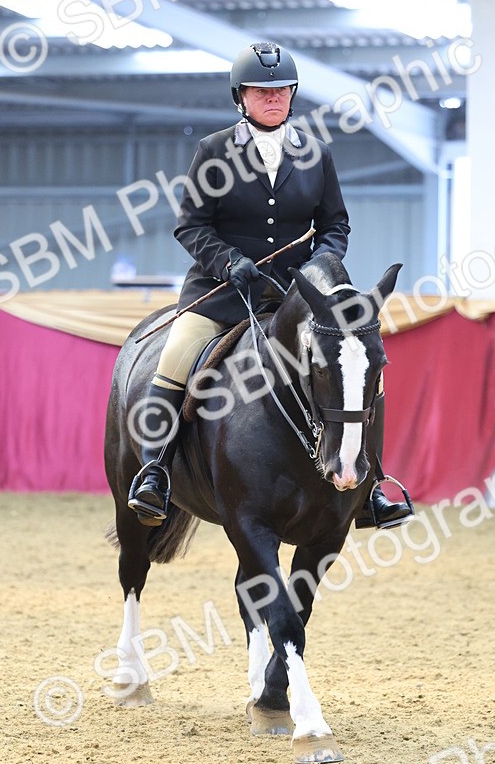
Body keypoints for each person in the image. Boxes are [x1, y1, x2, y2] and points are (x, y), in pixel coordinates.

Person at [128, 40, 412, 530]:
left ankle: (370, 486)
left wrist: (321, 269)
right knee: (176, 354)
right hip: (221, 294)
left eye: (281, 90)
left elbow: (335, 228)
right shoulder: (214, 151)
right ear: (241, 97)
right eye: (262, 91)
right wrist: (229, 260)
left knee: (366, 371)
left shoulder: (315, 154)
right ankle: (155, 472)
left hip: (294, 302)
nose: (273, 98)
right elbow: (191, 226)